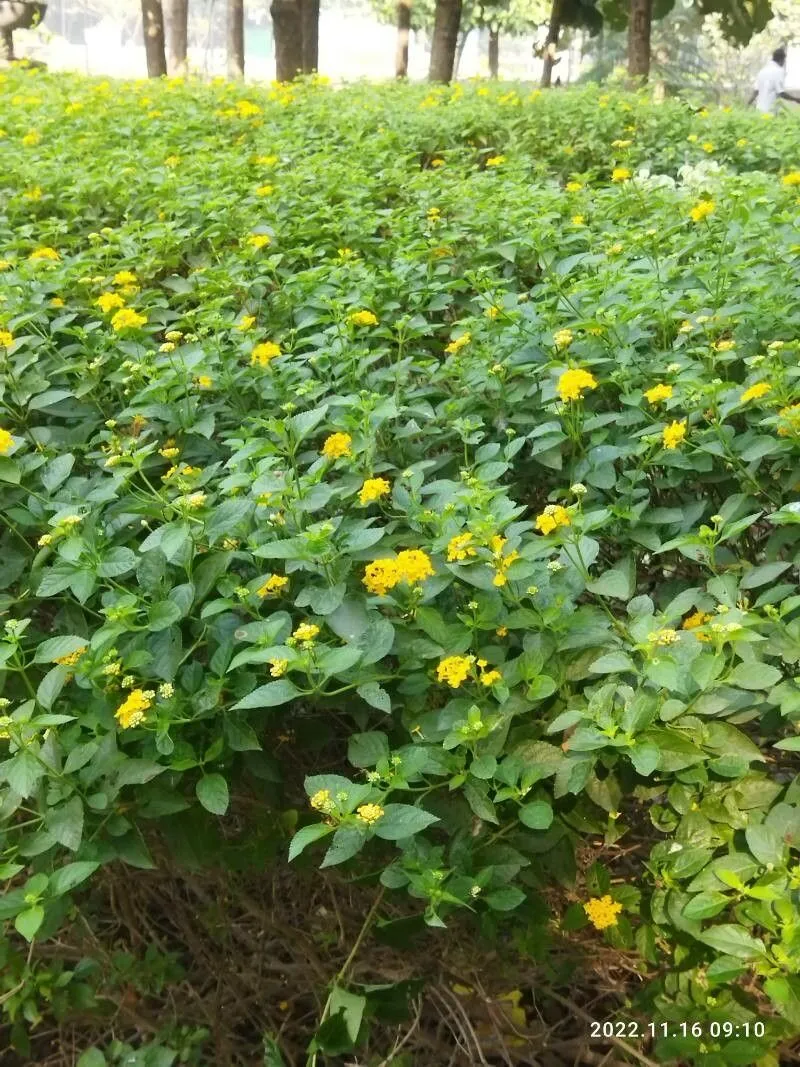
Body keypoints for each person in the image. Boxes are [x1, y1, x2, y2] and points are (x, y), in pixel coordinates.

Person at [749, 47, 800, 113]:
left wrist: (746, 105)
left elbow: (755, 93)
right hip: (770, 111)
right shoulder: (779, 71)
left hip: (759, 110)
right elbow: (781, 93)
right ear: (782, 59)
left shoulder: (762, 71)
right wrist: (796, 99)